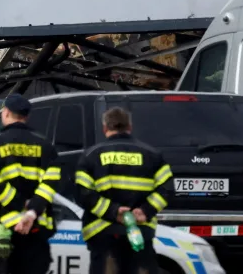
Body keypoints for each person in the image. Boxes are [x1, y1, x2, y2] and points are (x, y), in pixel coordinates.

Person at [74, 106, 174, 274]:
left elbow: (83, 194)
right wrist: (145, 211)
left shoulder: (91, 156)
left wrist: (113, 211)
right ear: (130, 127)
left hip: (103, 234)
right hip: (140, 233)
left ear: (105, 128)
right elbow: (167, 189)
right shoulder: (153, 155)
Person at [0, 93, 62, 274]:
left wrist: (18, 205)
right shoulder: (46, 146)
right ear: (26, 116)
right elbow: (49, 186)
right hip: (35, 228)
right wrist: (30, 213)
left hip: (0, 226)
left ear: (5, 113)